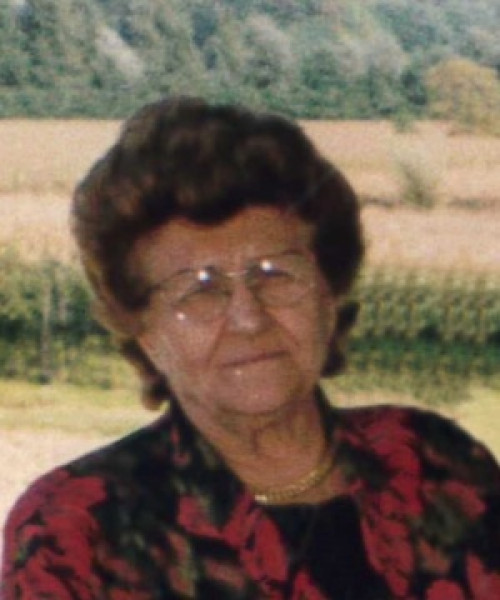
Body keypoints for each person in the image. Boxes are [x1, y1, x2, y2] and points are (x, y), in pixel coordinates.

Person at [2, 97, 500, 600]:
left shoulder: (438, 461)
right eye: (199, 290)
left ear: (328, 295)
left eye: (275, 274)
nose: (248, 318)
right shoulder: (76, 530)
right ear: (145, 332)